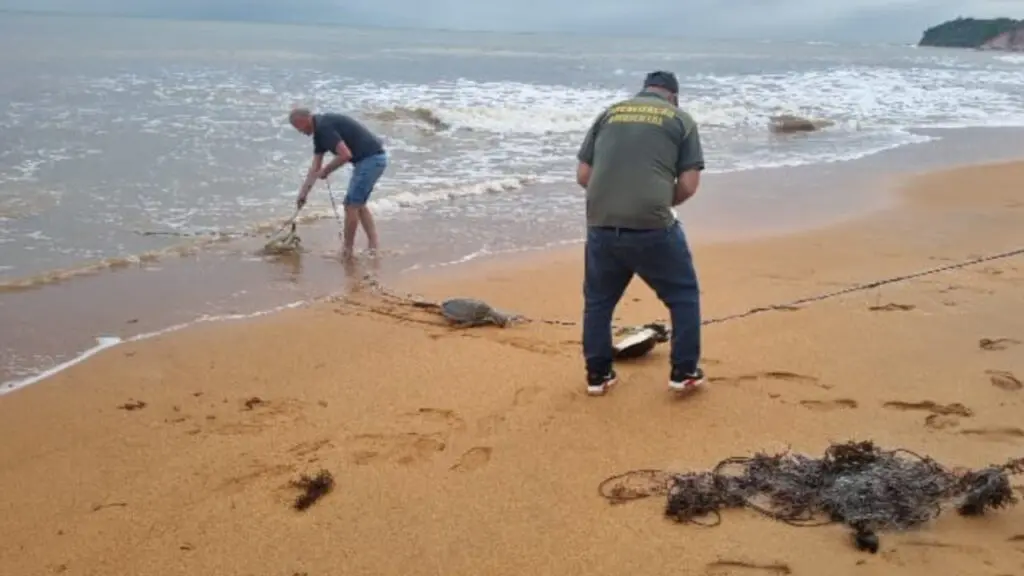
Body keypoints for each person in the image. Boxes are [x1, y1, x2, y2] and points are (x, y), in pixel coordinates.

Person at [574, 71, 706, 397]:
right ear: (673, 96)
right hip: (652, 226)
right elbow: (688, 184)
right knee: (683, 296)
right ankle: (684, 372)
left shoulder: (609, 113)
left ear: (644, 90)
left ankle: (598, 376)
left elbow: (583, 175)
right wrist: (656, 203)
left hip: (601, 223)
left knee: (598, 303)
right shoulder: (680, 119)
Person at [289, 108, 389, 258]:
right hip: (371, 160)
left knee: (350, 205)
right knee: (358, 204)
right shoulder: (319, 134)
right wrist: (303, 194)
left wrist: (327, 171)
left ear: (307, 119)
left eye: (298, 126)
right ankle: (373, 246)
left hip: (371, 160)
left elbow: (345, 155)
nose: (299, 131)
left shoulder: (324, 128)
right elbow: (315, 168)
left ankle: (347, 250)